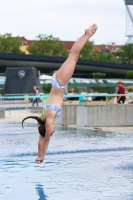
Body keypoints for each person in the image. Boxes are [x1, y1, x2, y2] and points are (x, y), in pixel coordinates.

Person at [22, 24, 98, 164]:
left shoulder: (49, 118)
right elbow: (41, 140)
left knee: (74, 56)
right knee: (72, 57)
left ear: (49, 130)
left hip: (60, 82)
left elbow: (46, 140)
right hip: (58, 82)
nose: (54, 130)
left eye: (52, 131)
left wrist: (42, 156)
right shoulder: (45, 120)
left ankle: (87, 34)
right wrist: (39, 155)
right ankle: (86, 35)